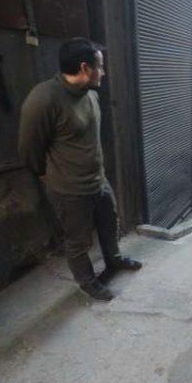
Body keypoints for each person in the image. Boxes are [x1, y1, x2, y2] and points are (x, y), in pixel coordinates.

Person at [18, 38, 141, 301]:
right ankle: (87, 281)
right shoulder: (43, 100)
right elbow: (29, 151)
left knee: (110, 223)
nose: (104, 72)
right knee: (77, 241)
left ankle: (114, 260)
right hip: (69, 191)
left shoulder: (91, 95)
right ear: (85, 68)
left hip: (99, 181)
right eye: (101, 66)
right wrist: (52, 178)